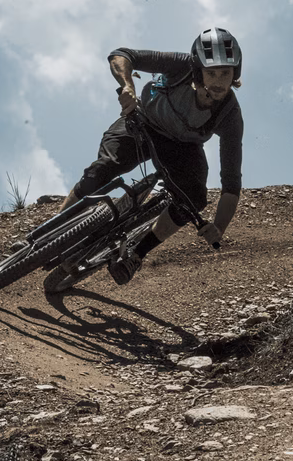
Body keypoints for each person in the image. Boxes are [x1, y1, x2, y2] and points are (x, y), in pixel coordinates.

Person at [57, 28, 245, 286]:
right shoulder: (179, 66)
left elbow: (231, 183)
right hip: (141, 122)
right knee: (104, 169)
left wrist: (219, 228)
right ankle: (55, 228)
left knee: (194, 198)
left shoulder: (230, 115)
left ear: (236, 72)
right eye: (211, 72)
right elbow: (122, 54)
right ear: (198, 70)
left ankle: (136, 254)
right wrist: (127, 87)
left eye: (225, 73)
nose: (218, 81)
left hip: (182, 148)